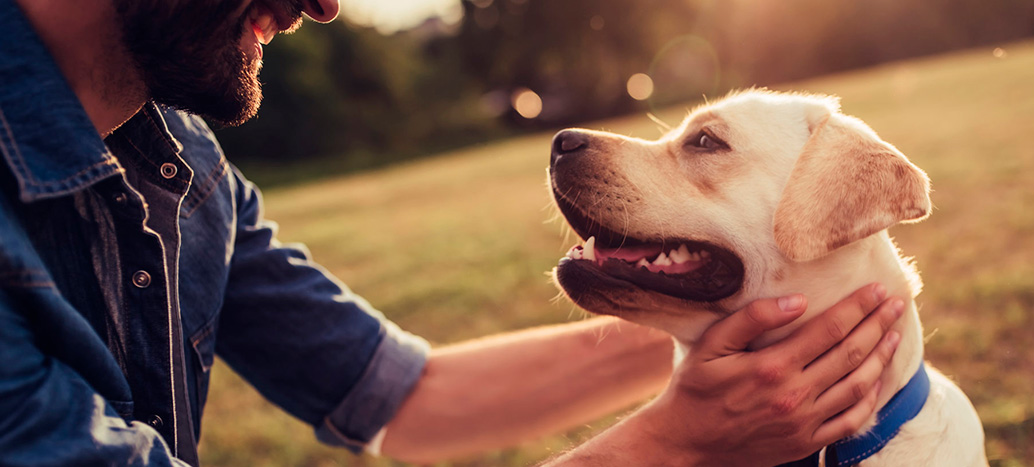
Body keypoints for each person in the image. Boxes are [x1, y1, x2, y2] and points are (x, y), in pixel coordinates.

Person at [0, 0, 904, 465]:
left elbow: (411, 396)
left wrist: (765, 325)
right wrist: (673, 442)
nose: (325, 5)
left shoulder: (183, 169)